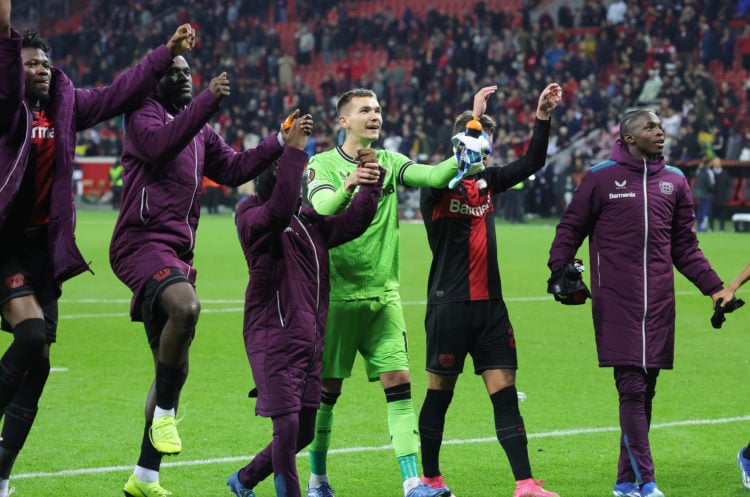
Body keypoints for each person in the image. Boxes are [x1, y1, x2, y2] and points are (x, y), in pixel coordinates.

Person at [0, 1, 194, 495]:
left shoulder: (65, 105)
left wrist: (162, 54)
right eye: (29, 63)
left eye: (46, 62)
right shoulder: (4, 106)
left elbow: (117, 93)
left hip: (42, 253)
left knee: (38, 365)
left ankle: (0, 477)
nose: (41, 70)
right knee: (29, 337)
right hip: (2, 246)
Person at [109, 53, 292, 497]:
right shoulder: (143, 116)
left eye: (188, 73)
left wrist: (278, 141)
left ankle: (145, 477)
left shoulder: (201, 131)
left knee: (173, 363)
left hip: (175, 250)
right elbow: (159, 146)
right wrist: (208, 100)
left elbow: (232, 170)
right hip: (140, 240)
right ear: (155, 81)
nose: (185, 79)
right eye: (174, 73)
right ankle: (167, 414)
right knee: (186, 307)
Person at [304, 88, 484, 497]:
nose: (375, 115)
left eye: (378, 109)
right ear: (343, 121)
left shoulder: (390, 161)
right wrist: (351, 183)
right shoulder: (321, 165)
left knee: (400, 382)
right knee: (326, 394)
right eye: (365, 110)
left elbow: (437, 176)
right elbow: (324, 208)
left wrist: (472, 125)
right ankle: (317, 480)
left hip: (384, 297)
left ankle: (411, 482)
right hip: (336, 300)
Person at [547, 109, 725, 497]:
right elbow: (571, 228)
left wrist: (714, 289)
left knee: (647, 392)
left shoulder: (675, 181)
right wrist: (559, 269)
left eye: (660, 126)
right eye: (650, 127)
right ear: (628, 137)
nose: (660, 132)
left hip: (660, 302)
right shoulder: (600, 176)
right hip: (616, 302)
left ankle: (625, 482)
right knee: (631, 388)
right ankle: (648, 482)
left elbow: (686, 248)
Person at [227, 112, 384, 497]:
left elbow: (352, 225)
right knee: (287, 432)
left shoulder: (307, 220)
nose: (293, 175)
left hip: (311, 341)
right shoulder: (251, 216)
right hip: (274, 339)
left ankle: (244, 479)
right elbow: (278, 210)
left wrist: (370, 182)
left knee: (306, 431)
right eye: (283, 168)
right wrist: (294, 150)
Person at [417, 83, 562, 497]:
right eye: (478, 142)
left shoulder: (489, 183)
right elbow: (452, 164)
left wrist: (542, 116)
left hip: (491, 310)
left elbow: (534, 160)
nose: (486, 150)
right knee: (439, 394)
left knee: (504, 394)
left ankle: (525, 483)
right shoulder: (436, 187)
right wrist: (473, 116)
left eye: (488, 143)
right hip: (450, 305)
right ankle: (430, 478)